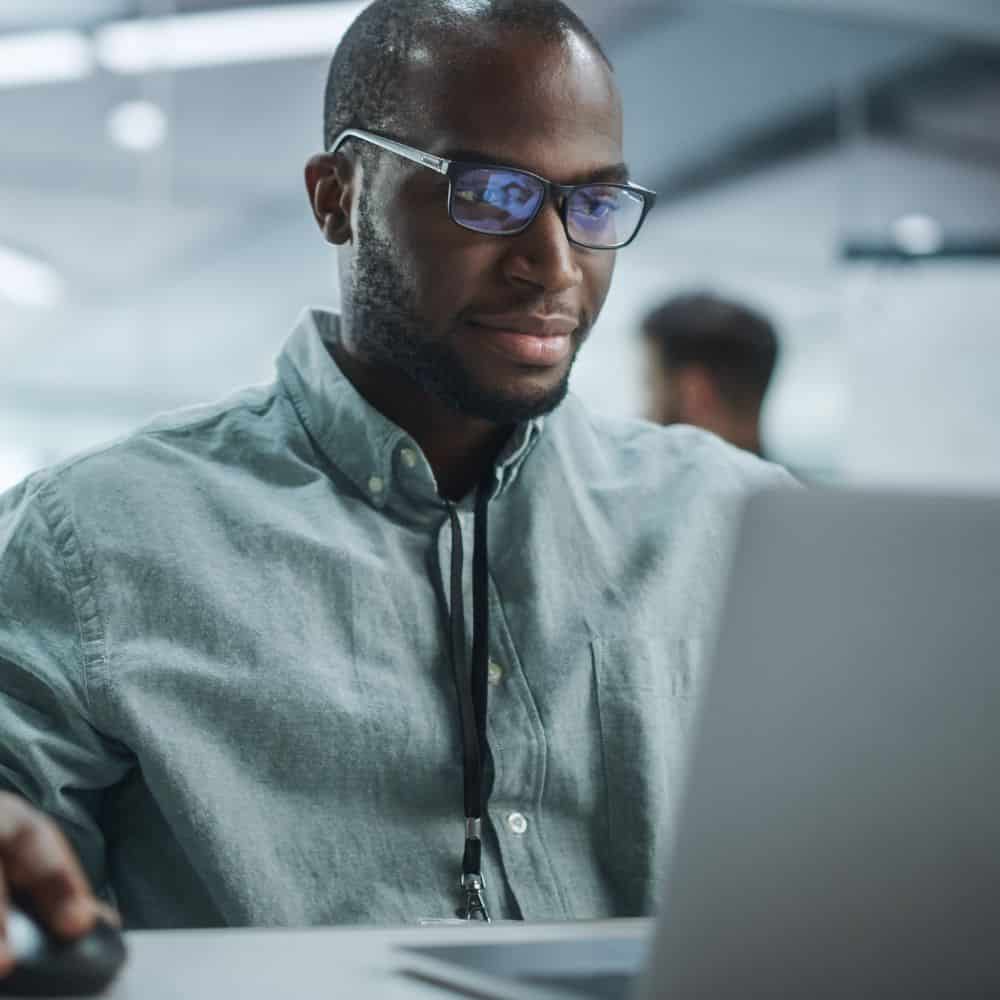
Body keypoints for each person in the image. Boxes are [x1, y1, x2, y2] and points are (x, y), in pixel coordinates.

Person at [0, 0, 793, 959]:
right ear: (337, 195)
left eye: (593, 206)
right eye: (490, 194)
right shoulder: (94, 540)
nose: (554, 266)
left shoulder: (740, 522)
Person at [641, 291, 780, 457]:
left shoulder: (647, 478)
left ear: (696, 395)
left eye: (650, 386)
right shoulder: (792, 482)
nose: (643, 416)